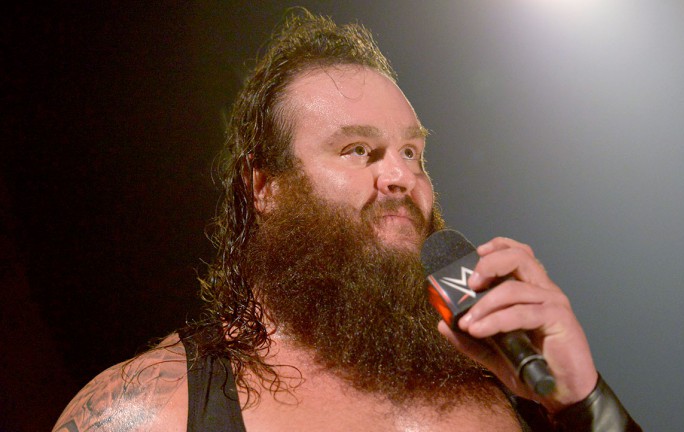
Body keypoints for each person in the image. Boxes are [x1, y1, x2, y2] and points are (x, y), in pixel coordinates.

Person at [54, 9, 641, 431]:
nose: (401, 176)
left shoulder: (507, 381)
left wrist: (583, 402)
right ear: (266, 187)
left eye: (411, 152)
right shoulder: (154, 410)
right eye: (358, 150)